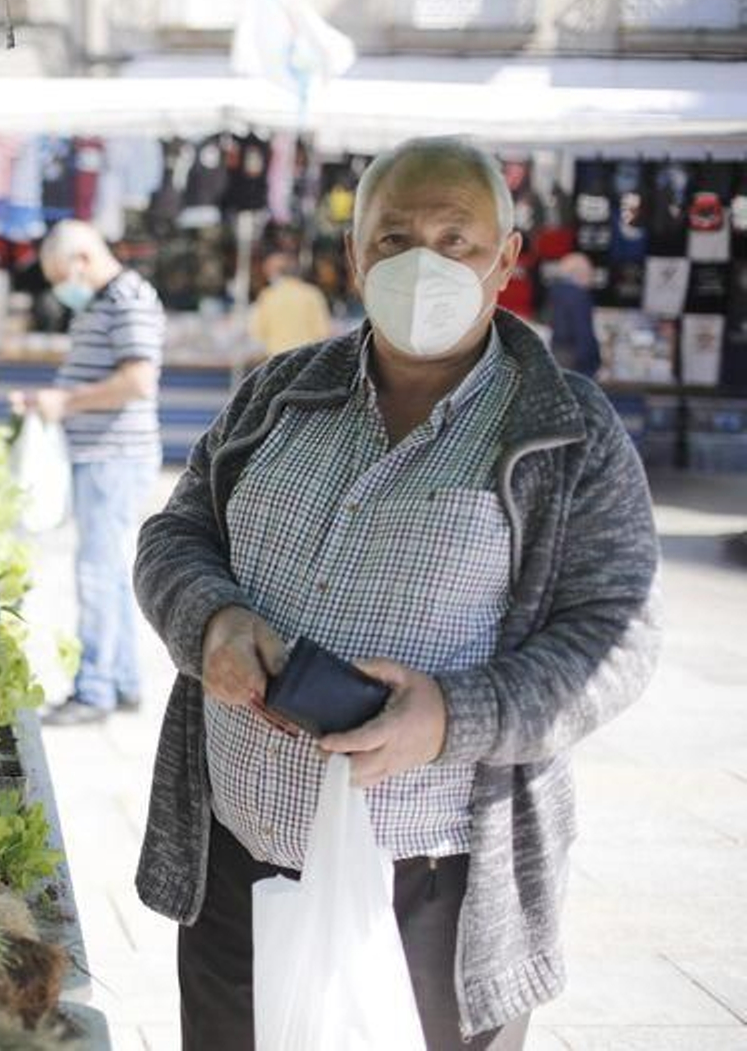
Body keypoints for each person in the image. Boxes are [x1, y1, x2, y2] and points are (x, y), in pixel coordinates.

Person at [133, 137, 659, 1049]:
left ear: (506, 260)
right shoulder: (279, 392)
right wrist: (210, 618)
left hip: (440, 883)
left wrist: (454, 716)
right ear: (354, 255)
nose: (425, 264)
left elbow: (618, 633)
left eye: (457, 240)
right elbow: (175, 534)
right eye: (394, 239)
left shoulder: (567, 432)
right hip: (237, 859)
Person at [12, 220, 165, 727]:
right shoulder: (106, 301)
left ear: (82, 259)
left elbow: (137, 381)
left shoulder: (128, 299)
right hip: (100, 453)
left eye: (60, 276)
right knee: (110, 574)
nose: (61, 287)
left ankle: (94, 689)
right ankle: (120, 681)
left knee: (97, 574)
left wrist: (65, 400)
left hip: (112, 456)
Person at [248, 251, 333, 357]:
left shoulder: (267, 296)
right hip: (307, 359)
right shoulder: (312, 293)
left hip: (277, 360)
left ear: (274, 272)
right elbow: (323, 333)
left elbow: (257, 334)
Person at [546, 251, 603, 378]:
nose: (591, 278)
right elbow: (583, 332)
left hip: (558, 354)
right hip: (576, 360)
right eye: (590, 273)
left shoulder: (555, 293)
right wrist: (594, 363)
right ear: (579, 273)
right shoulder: (579, 296)